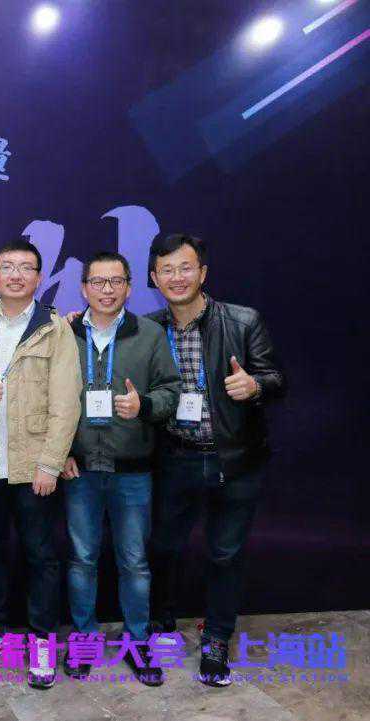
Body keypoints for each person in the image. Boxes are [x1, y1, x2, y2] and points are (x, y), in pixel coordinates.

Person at [145, 233, 285, 687]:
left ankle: (217, 639)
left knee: (225, 554)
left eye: (185, 268)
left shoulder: (243, 321)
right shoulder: (147, 328)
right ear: (154, 279)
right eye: (167, 270)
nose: (177, 277)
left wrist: (255, 386)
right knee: (163, 548)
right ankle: (161, 625)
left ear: (203, 273)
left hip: (234, 459)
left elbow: (276, 378)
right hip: (174, 457)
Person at [0, 238, 81, 690]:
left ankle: (42, 638)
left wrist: (50, 463)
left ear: (39, 278)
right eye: (7, 267)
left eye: (26, 268)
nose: (16, 275)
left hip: (33, 465)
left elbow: (67, 402)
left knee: (41, 555)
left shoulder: (54, 328)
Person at [59, 251, 179, 685]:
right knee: (82, 559)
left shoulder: (149, 334)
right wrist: (59, 452)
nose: (106, 290)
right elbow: (46, 398)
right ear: (84, 288)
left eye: (115, 281)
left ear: (129, 287)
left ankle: (138, 641)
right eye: (98, 282)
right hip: (79, 469)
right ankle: (84, 638)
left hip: (133, 470)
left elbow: (171, 390)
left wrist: (143, 405)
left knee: (135, 563)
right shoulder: (65, 333)